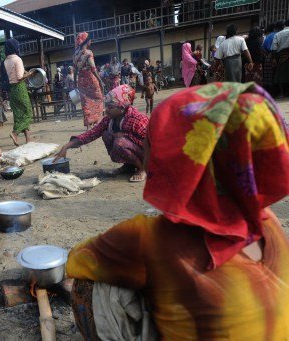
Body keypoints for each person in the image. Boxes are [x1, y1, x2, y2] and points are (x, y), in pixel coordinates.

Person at [66, 82, 289, 340]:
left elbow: (77, 259)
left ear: (181, 153)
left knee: (91, 284)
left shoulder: (152, 238)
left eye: (156, 137)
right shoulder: (267, 219)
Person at [54, 85, 148, 182]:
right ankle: (129, 166)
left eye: (111, 107)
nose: (106, 110)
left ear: (122, 108)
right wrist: (66, 146)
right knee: (106, 134)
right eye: (106, 106)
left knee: (120, 143)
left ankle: (142, 169)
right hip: (137, 151)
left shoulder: (138, 119)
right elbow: (92, 133)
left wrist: (127, 137)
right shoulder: (109, 119)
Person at [3, 38, 34, 146]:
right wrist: (29, 74)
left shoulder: (6, 61)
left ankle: (28, 138)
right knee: (28, 113)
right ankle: (15, 133)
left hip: (11, 90)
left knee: (19, 114)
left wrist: (26, 71)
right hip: (20, 88)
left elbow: (14, 73)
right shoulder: (17, 59)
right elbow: (20, 77)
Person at [74, 32, 105, 130]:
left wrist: (76, 82)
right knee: (98, 98)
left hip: (81, 79)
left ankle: (88, 125)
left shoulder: (75, 53)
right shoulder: (88, 53)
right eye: (90, 40)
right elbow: (93, 68)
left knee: (85, 101)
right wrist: (100, 81)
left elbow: (75, 70)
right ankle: (96, 122)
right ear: (86, 41)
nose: (91, 41)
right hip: (90, 79)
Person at [272, 19, 289, 98]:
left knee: (280, 75)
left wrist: (274, 59)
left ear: (285, 25)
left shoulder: (278, 34)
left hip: (281, 56)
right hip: (284, 55)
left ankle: (282, 93)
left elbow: (274, 48)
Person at [263, 23, 280, 95]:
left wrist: (267, 54)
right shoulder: (277, 34)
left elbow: (263, 48)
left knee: (269, 77)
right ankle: (279, 92)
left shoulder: (267, 37)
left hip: (268, 57)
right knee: (277, 75)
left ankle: (271, 94)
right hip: (277, 55)